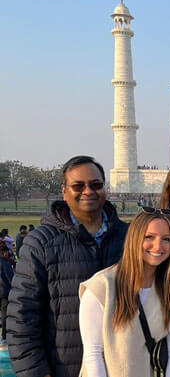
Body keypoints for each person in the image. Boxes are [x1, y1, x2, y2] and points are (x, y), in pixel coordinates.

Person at [7, 155, 128, 377]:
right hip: (65, 368)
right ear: (64, 191)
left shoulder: (128, 238)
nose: (88, 191)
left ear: (105, 189)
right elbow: (21, 319)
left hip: (122, 366)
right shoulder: (41, 243)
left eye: (96, 185)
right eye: (78, 186)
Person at [79, 209, 170, 377]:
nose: (158, 246)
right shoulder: (102, 287)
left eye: (166, 239)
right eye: (149, 237)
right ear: (134, 238)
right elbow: (93, 354)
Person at [0, 244, 14, 349]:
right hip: (4, 293)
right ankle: (4, 337)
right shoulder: (5, 263)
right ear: (3, 253)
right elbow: (11, 278)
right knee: (5, 316)